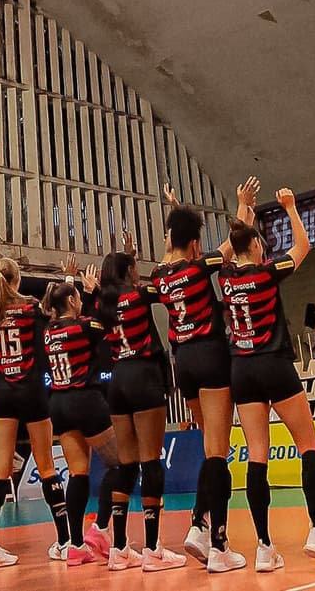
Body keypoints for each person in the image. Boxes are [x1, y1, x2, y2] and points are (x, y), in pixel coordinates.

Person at [219, 187, 315, 572]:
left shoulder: (225, 277)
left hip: (241, 369)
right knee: (308, 445)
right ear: (255, 246)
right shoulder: (265, 273)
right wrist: (290, 208)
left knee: (257, 455)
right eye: (260, 243)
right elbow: (303, 247)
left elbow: (233, 244)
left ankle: (263, 546)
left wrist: (243, 207)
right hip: (273, 363)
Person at [147, 177, 257, 573]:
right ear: (195, 243)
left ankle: (199, 523)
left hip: (183, 366)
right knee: (218, 451)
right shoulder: (200, 266)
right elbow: (235, 242)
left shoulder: (159, 275)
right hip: (211, 357)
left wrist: (175, 209)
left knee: (211, 447)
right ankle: (218, 544)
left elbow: (173, 244)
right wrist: (243, 205)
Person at [97, 237, 186, 572]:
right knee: (150, 462)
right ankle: (152, 549)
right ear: (129, 272)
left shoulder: (103, 304)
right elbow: (161, 284)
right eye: (134, 267)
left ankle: (119, 548)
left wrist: (128, 256)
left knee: (126, 465)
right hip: (143, 375)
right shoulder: (139, 295)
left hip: (118, 378)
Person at [0, 258, 70, 569]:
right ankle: (64, 542)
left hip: (2, 394)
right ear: (18, 278)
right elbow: (52, 320)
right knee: (46, 465)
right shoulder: (30, 307)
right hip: (31, 391)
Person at [40, 280, 130, 568]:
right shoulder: (83, 327)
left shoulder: (48, 331)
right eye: (77, 297)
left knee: (78, 473)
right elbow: (107, 322)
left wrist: (69, 284)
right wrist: (95, 294)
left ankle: (75, 545)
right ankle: (102, 529)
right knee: (122, 464)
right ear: (72, 301)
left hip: (59, 405)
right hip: (85, 401)